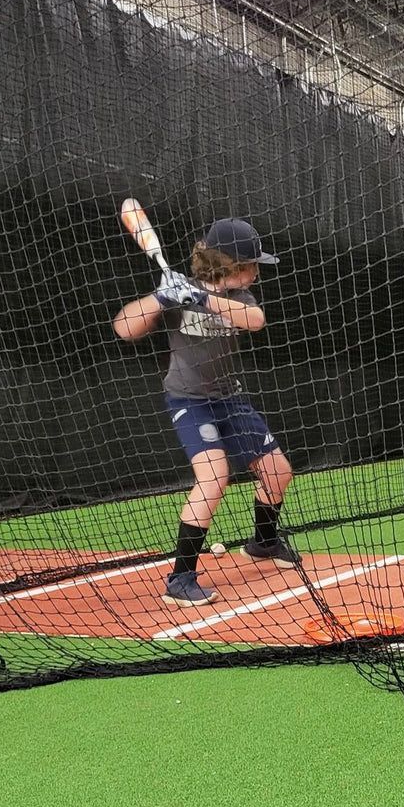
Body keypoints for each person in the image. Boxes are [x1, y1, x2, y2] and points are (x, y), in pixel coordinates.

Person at [113, 217, 298, 607]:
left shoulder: (237, 299)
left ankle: (263, 542)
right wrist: (161, 299)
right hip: (189, 402)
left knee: (278, 472)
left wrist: (202, 299)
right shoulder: (179, 293)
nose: (256, 274)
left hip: (229, 399)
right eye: (252, 266)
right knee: (214, 477)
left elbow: (256, 321)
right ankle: (180, 579)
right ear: (231, 265)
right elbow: (124, 328)